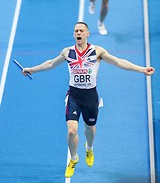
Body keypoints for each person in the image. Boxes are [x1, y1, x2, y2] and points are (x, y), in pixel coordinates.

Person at [22, 22, 155, 178]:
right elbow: (51, 63)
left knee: (89, 129)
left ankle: (89, 148)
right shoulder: (67, 52)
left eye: (81, 30)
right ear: (74, 35)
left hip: (91, 97)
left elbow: (119, 62)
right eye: (76, 31)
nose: (78, 33)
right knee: (71, 131)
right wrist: (32, 69)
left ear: (87, 34)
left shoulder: (97, 51)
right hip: (74, 96)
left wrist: (142, 69)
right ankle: (73, 159)